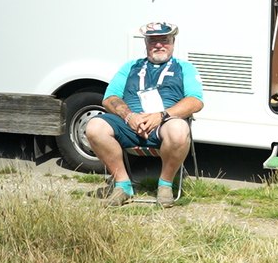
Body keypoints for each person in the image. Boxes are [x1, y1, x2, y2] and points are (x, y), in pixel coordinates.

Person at [84, 22, 204, 207]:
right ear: (146, 43)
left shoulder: (184, 68)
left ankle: (165, 185)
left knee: (179, 129)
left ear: (173, 42)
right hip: (129, 124)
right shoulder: (130, 67)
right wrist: (129, 116)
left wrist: (161, 116)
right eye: (153, 41)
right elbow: (109, 98)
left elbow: (195, 101)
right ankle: (123, 185)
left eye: (164, 40)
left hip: (164, 124)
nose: (158, 45)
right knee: (94, 126)